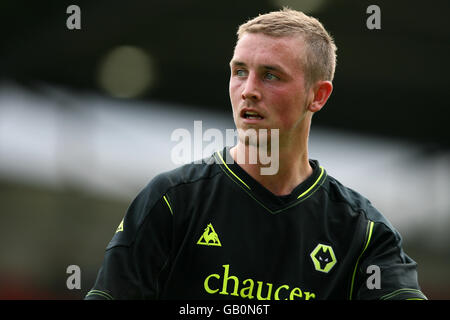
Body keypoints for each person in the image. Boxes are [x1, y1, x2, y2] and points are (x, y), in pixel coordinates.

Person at [85, 8, 427, 300]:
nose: (248, 91)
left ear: (318, 95)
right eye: (239, 72)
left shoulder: (362, 233)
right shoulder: (172, 203)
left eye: (270, 76)